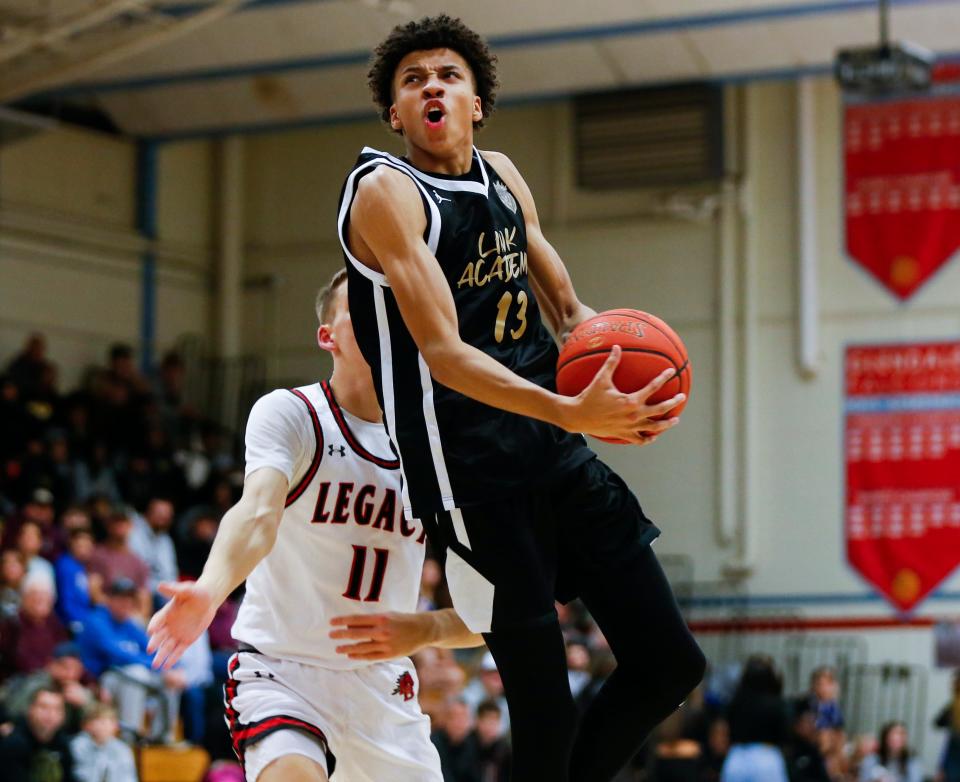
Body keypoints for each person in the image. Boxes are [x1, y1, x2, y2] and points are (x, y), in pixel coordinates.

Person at [339, 14, 705, 781]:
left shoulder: (502, 175)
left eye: (448, 75)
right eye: (412, 81)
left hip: (554, 449)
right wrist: (575, 411)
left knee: (669, 665)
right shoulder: (386, 193)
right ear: (394, 114)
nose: (431, 86)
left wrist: (623, 389)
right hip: (471, 473)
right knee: (546, 705)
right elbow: (443, 355)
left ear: (476, 101)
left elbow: (571, 314)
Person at [146, 272, 482, 782]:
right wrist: (212, 590)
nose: (384, 312)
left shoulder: (440, 446)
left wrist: (429, 627)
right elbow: (258, 514)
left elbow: (507, 605)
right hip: (283, 671)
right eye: (365, 304)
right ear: (329, 336)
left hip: (383, 689)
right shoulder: (293, 414)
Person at [77, 577, 186, 743]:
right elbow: (118, 654)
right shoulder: (96, 620)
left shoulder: (128, 623)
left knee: (168, 682)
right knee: (137, 674)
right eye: (120, 598)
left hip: (128, 675)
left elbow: (151, 647)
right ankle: (130, 737)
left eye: (129, 600)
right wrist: (158, 669)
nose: (125, 604)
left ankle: (161, 738)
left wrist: (171, 667)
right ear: (110, 599)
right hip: (100, 679)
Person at [720, 655, 790, 782]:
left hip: (737, 758)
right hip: (767, 757)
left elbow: (726, 731)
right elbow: (784, 736)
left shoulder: (735, 702)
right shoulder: (776, 703)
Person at [0, 685, 77, 782]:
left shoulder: (63, 743)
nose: (50, 714)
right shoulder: (13, 744)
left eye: (57, 709)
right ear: (30, 709)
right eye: (44, 707)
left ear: (64, 715)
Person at [70, 703, 138, 782]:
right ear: (86, 725)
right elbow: (79, 775)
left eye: (109, 722)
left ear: (115, 726)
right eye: (100, 721)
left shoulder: (122, 749)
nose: (104, 726)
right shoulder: (78, 746)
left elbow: (129, 777)